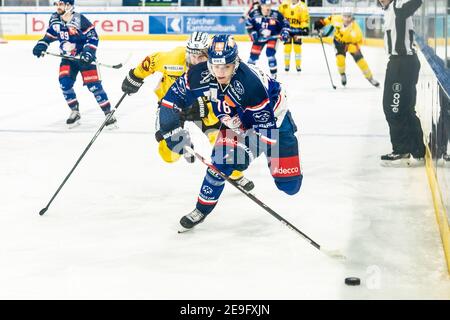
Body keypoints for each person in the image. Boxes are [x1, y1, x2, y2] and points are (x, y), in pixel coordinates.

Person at [157, 35, 303, 230]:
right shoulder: (199, 73)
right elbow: (169, 101)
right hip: (234, 121)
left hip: (274, 122)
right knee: (220, 165)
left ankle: (280, 157)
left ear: (236, 63)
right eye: (215, 66)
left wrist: (241, 155)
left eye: (226, 66)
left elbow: (264, 132)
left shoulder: (250, 85)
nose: (220, 72)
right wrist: (171, 131)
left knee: (289, 186)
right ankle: (201, 209)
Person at [121, 32, 255, 191]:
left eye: (202, 56)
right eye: (193, 55)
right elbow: (151, 61)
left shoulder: (220, 66)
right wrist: (134, 77)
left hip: (205, 107)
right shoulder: (173, 59)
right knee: (169, 155)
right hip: (171, 107)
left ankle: (235, 173)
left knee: (223, 143)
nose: (196, 61)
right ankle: (182, 142)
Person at [32, 0, 116, 128]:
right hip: (67, 59)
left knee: (94, 86)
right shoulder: (55, 18)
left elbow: (93, 37)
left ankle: (108, 113)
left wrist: (88, 53)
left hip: (84, 59)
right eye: (56, 4)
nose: (57, 7)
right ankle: (75, 111)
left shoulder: (79, 19)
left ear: (69, 6)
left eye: (61, 4)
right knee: (64, 83)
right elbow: (50, 35)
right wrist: (42, 44)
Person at [378, 0, 424, 164]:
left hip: (402, 64)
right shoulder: (390, 8)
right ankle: (417, 149)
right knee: (404, 108)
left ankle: (402, 149)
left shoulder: (398, 5)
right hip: (401, 63)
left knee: (394, 107)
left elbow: (415, 3)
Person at [314, 11, 380, 87]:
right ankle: (342, 74)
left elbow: (359, 40)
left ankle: (370, 78)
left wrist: (355, 49)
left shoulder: (356, 30)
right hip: (338, 43)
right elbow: (328, 20)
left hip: (352, 44)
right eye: (345, 16)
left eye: (349, 17)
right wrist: (320, 23)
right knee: (340, 60)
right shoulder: (337, 18)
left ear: (352, 18)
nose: (346, 19)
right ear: (342, 16)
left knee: (361, 61)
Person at [246, 0, 290, 79]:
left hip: (273, 37)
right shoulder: (253, 14)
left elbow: (286, 24)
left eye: (269, 5)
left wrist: (285, 32)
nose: (268, 7)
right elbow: (248, 24)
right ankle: (248, 73)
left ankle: (273, 75)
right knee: (253, 56)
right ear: (261, 5)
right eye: (266, 5)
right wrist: (252, 32)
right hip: (259, 38)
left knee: (270, 53)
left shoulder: (276, 14)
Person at [278, 0, 310, 72]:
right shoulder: (284, 4)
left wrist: (305, 28)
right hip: (287, 30)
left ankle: (298, 65)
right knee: (287, 48)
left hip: (297, 30)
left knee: (297, 48)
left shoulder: (303, 6)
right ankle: (287, 65)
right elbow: (279, 16)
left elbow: (304, 20)